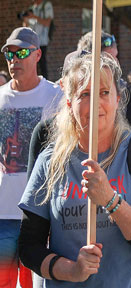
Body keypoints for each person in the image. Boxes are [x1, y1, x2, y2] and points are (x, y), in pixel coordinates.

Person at [18, 51, 131, 285]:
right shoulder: (51, 161)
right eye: (85, 94)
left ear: (117, 99)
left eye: (104, 92)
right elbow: (29, 247)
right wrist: (72, 270)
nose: (96, 103)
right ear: (69, 103)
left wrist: (110, 200)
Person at [0, 27, 62, 288]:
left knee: (32, 285)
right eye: (9, 54)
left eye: (22, 52)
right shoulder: (0, 97)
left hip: (38, 213)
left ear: (37, 55)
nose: (15, 59)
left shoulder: (56, 97)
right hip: (2, 212)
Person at [21, 0, 54, 78]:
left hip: (42, 40)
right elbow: (26, 26)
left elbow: (47, 23)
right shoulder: (32, 8)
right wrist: (25, 20)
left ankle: (44, 81)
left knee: (42, 63)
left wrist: (34, 17)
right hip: (31, 40)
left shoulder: (46, 5)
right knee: (31, 61)